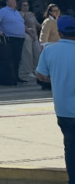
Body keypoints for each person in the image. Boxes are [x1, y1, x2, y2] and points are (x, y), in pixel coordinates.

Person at [35, 14, 75, 184]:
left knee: (71, 147)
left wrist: (55, 77)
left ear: (59, 32)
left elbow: (41, 75)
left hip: (64, 111)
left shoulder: (50, 50)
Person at [0, 0, 28, 84]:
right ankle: (10, 77)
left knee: (17, 58)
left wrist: (29, 32)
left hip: (20, 38)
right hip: (10, 38)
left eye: (15, 1)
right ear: (7, 2)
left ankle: (16, 76)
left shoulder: (17, 12)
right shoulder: (3, 11)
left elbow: (21, 23)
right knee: (11, 58)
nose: (14, 2)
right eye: (12, 1)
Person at [20, 0, 42, 81]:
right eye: (24, 5)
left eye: (27, 5)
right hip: (26, 34)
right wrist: (29, 33)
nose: (26, 7)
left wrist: (44, 27)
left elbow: (36, 23)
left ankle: (36, 68)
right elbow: (22, 24)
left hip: (34, 33)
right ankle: (28, 70)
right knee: (28, 52)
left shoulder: (31, 14)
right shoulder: (20, 14)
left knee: (38, 51)